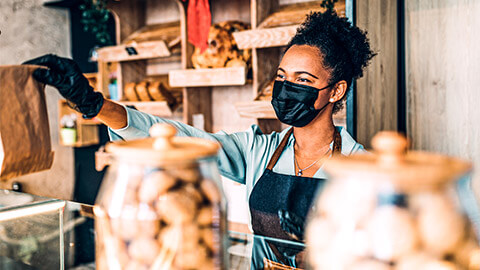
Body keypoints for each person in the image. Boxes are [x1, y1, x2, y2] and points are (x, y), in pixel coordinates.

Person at [24, 11, 375, 269]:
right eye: (282, 77)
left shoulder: (361, 171)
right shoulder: (260, 151)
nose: (286, 89)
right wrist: (94, 104)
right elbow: (179, 137)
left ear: (336, 91)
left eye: (302, 80)